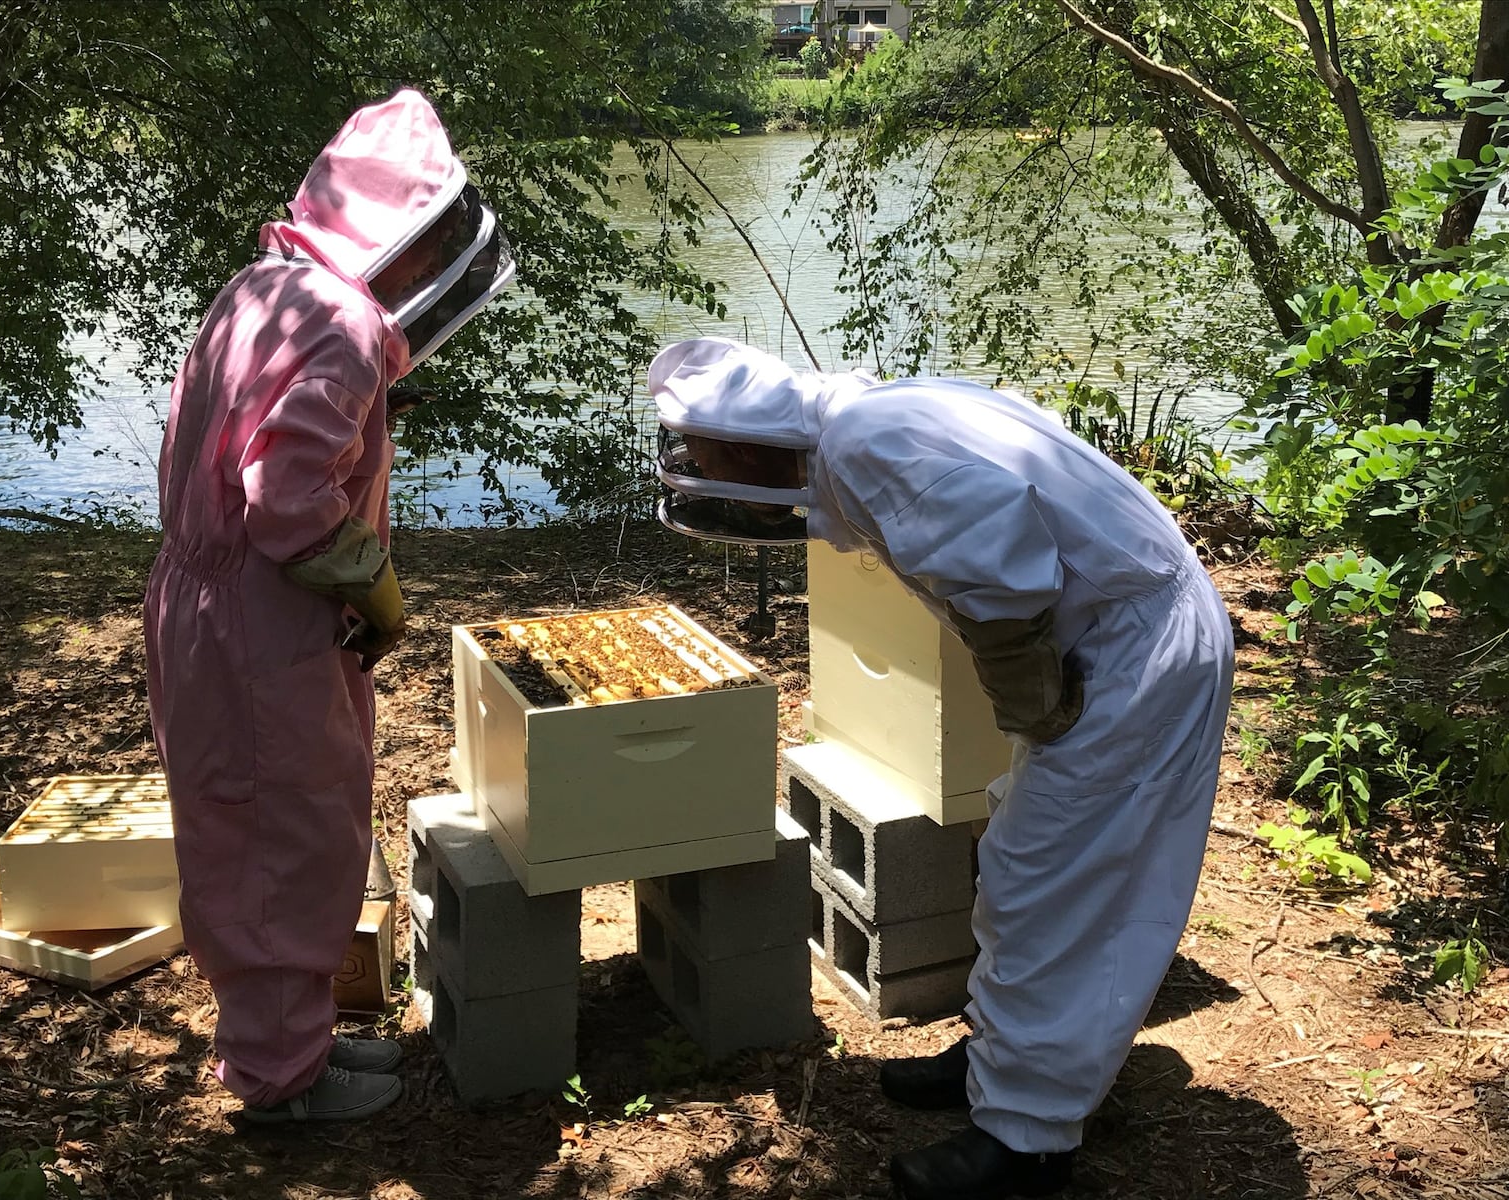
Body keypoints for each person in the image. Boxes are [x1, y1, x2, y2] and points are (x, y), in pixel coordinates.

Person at [647, 337, 1234, 1199]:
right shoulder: (868, 420)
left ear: (741, 448)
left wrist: (1028, 690)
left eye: (700, 454)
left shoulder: (864, 443)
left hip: (1136, 651)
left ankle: (1027, 1141)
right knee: (1017, 856)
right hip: (1113, 634)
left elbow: (1002, 568)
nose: (697, 466)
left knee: (1056, 880)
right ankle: (998, 1057)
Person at [143, 89, 515, 1124]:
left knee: (261, 827)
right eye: (426, 236)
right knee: (280, 840)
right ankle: (278, 1088)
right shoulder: (345, 322)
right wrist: (376, 590)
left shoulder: (265, 284)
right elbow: (286, 500)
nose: (424, 266)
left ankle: (289, 1049)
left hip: (215, 607)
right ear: (392, 229)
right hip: (262, 617)